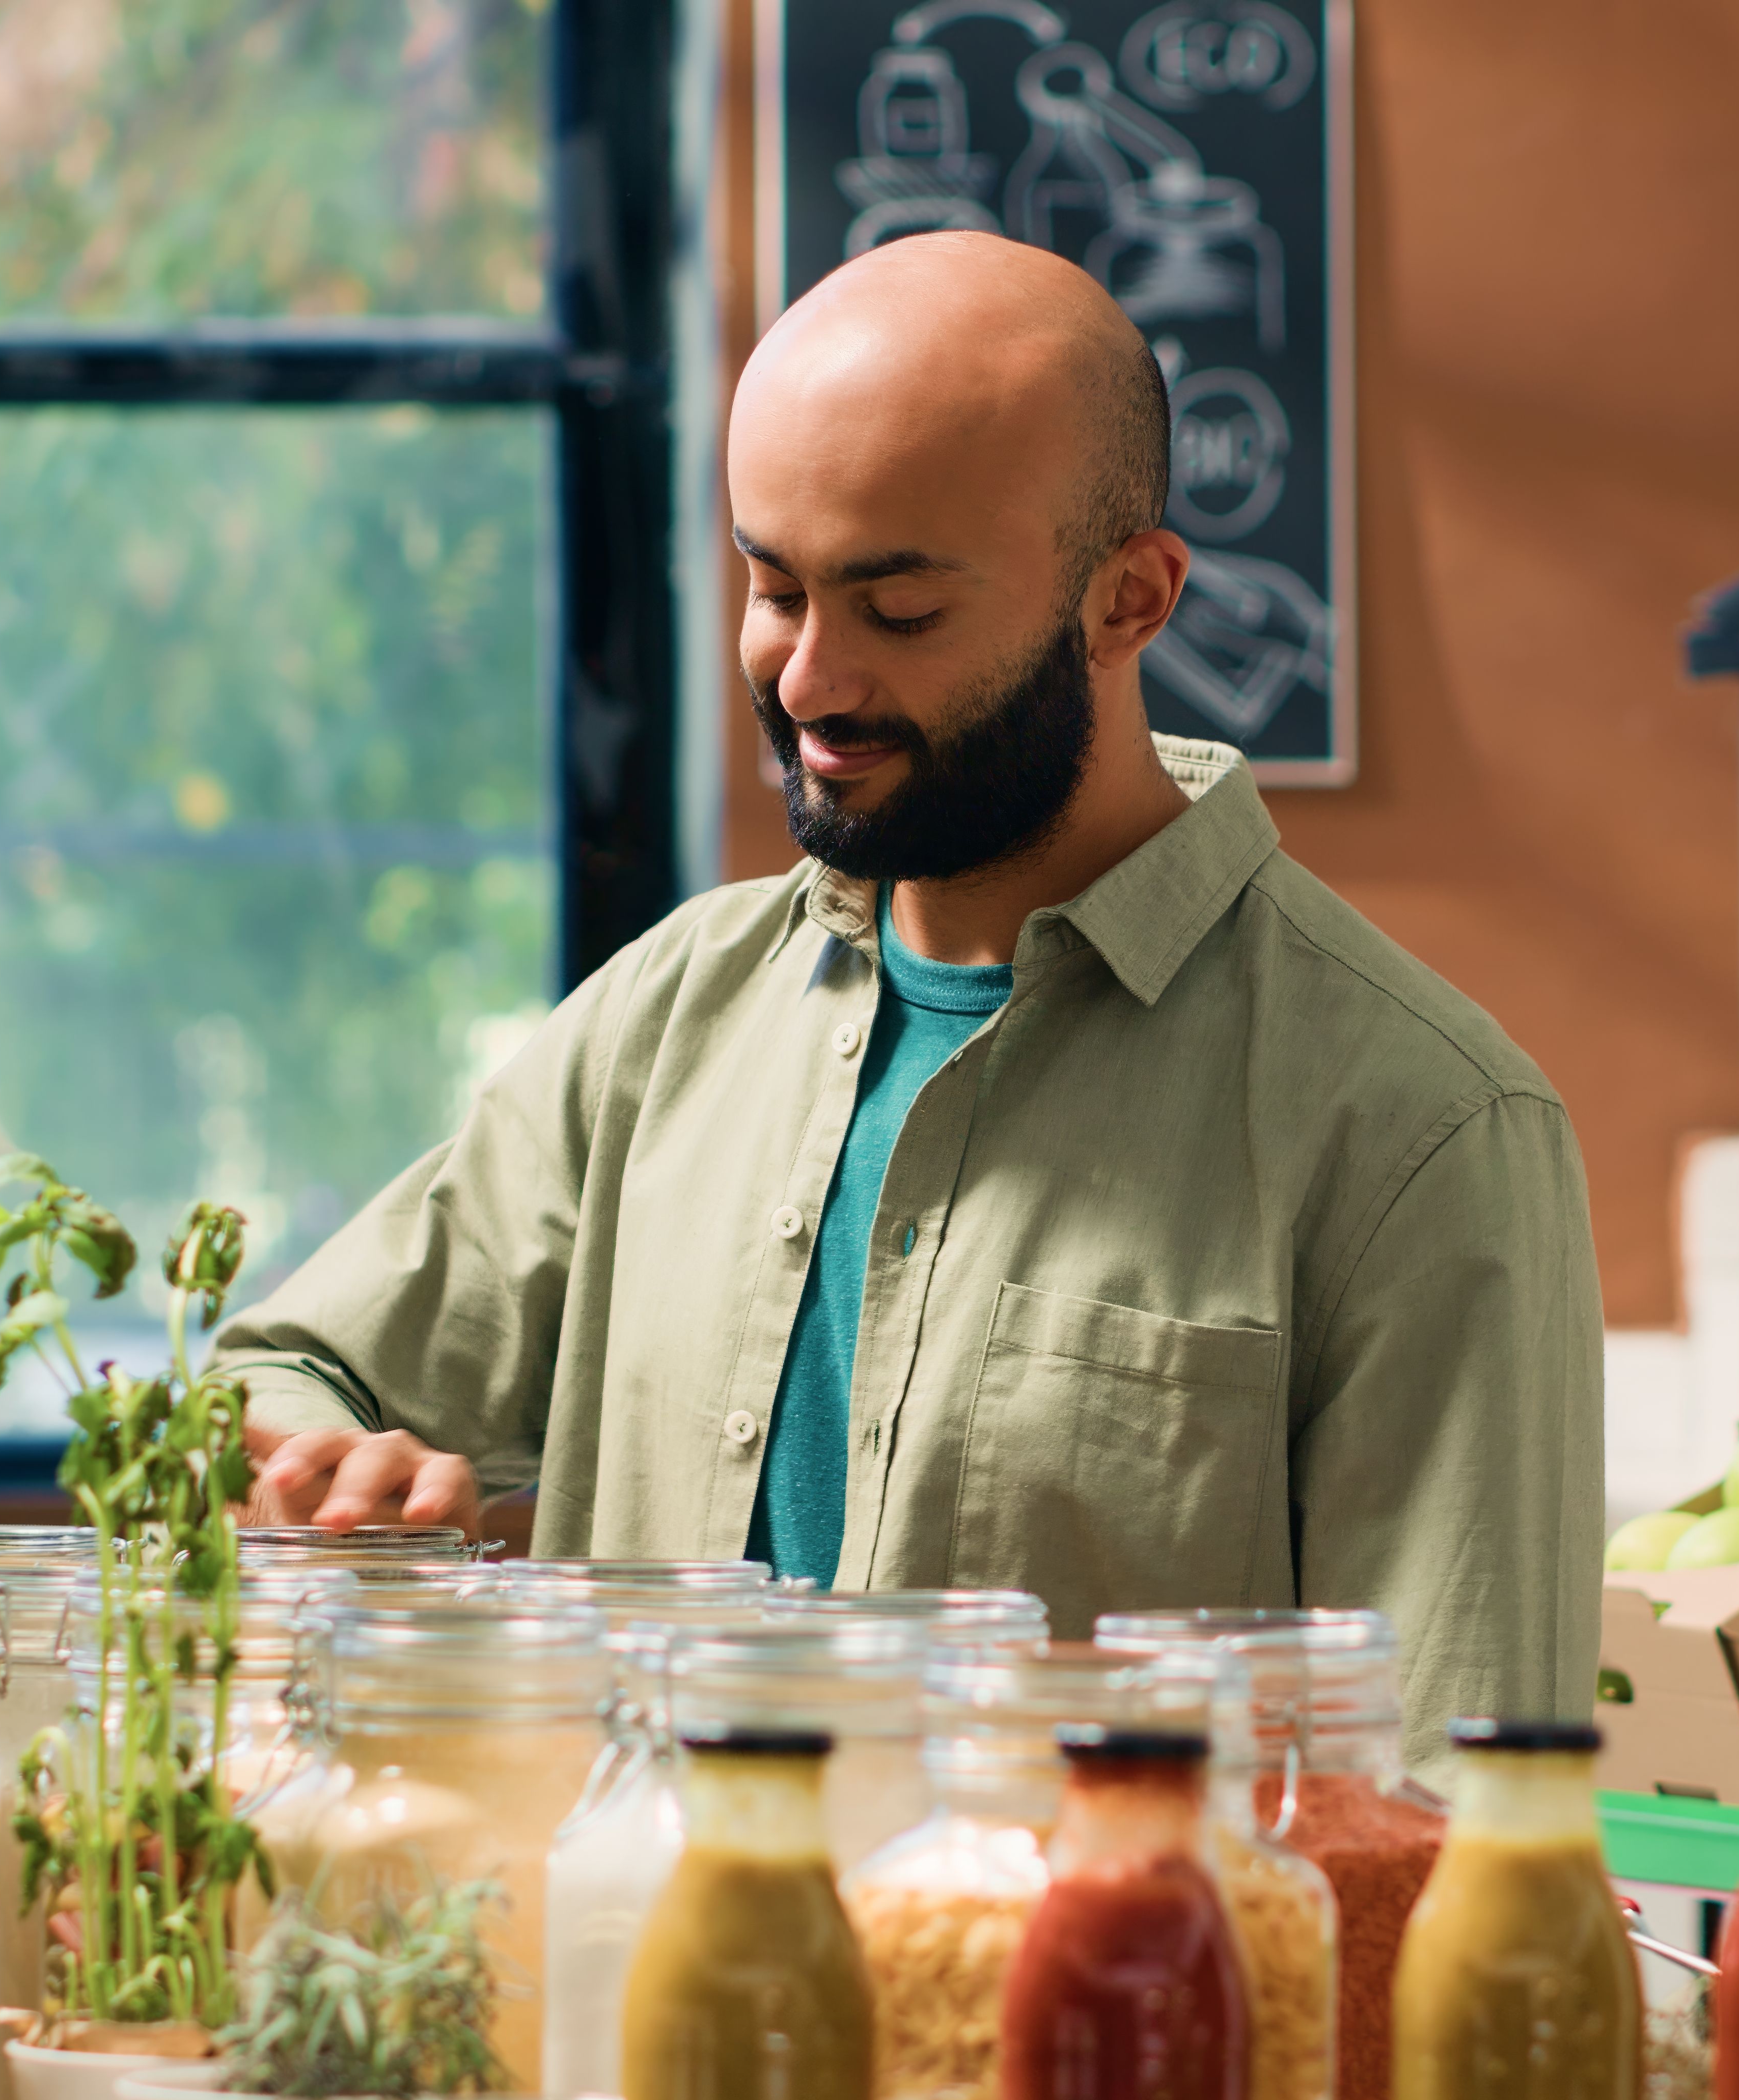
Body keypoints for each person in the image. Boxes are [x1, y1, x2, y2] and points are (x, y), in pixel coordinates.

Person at [215, 231, 1603, 1745]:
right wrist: (331, 1468)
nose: (809, 677)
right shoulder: (668, 1017)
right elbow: (285, 1372)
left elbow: (1454, 1825)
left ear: (1127, 600)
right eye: (773, 587)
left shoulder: (1425, 1132)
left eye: (901, 610)